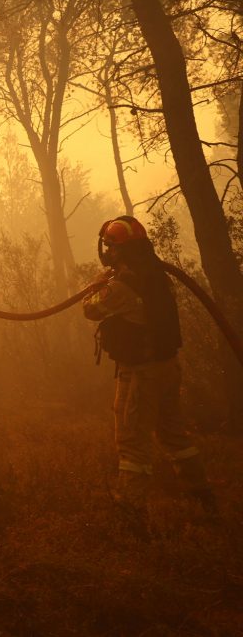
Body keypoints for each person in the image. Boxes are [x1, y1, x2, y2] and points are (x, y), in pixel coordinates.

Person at [83, 216, 216, 518]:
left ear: (117, 249)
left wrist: (97, 284)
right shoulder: (155, 274)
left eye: (109, 246)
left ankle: (131, 514)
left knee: (132, 443)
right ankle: (203, 498)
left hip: (141, 373)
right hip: (167, 367)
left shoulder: (123, 285)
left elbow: (90, 309)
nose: (106, 252)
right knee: (174, 435)